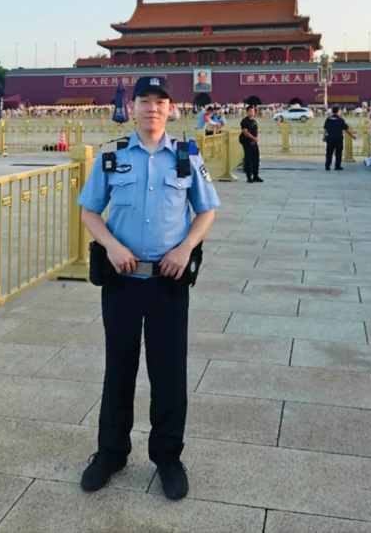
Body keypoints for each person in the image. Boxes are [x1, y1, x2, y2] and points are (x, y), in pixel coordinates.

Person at [77, 75, 220, 500]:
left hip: (168, 282)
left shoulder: (187, 157)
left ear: (171, 109)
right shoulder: (113, 156)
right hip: (121, 281)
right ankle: (110, 453)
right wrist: (111, 245)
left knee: (169, 372)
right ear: (133, 107)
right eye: (144, 101)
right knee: (118, 367)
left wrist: (185, 248)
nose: (152, 108)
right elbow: (89, 211)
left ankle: (168, 458)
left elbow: (206, 211)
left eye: (160, 102)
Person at [322, 105, 354, 171]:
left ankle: (327, 166)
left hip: (330, 138)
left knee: (329, 152)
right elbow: (346, 130)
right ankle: (337, 166)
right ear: (338, 111)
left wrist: (324, 136)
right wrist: (352, 136)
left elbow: (325, 128)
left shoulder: (328, 119)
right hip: (338, 139)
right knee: (338, 153)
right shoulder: (340, 120)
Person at [240, 104, 262, 183]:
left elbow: (256, 131)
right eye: (250, 111)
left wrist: (256, 139)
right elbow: (245, 132)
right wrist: (253, 139)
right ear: (247, 112)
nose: (252, 113)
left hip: (254, 142)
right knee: (248, 159)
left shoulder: (254, 121)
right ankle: (249, 177)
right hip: (247, 142)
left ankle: (256, 175)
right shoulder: (244, 121)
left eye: (253, 111)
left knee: (256, 159)